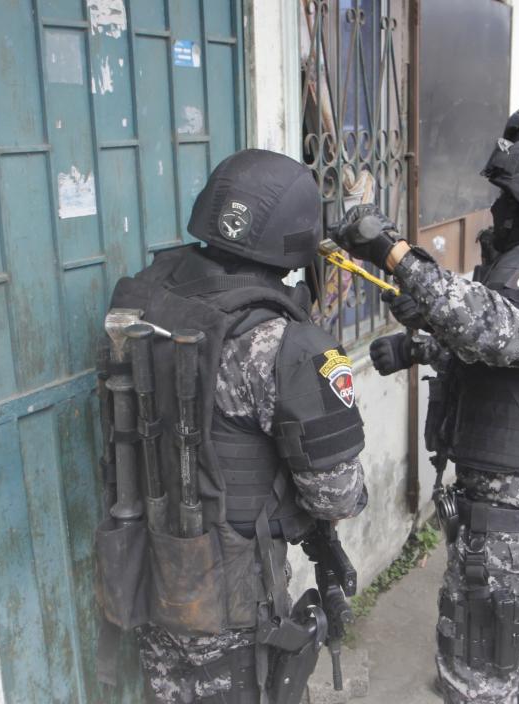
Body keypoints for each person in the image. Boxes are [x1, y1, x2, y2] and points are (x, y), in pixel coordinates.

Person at [332, 129, 519, 704]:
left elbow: (500, 330)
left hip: (513, 526)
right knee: (516, 671)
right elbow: (514, 366)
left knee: (479, 682)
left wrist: (389, 248)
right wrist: (421, 342)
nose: (496, 210)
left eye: (505, 198)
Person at [97, 148, 367, 702]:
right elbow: (336, 495)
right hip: (230, 601)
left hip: (150, 569)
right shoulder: (283, 344)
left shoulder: (148, 298)